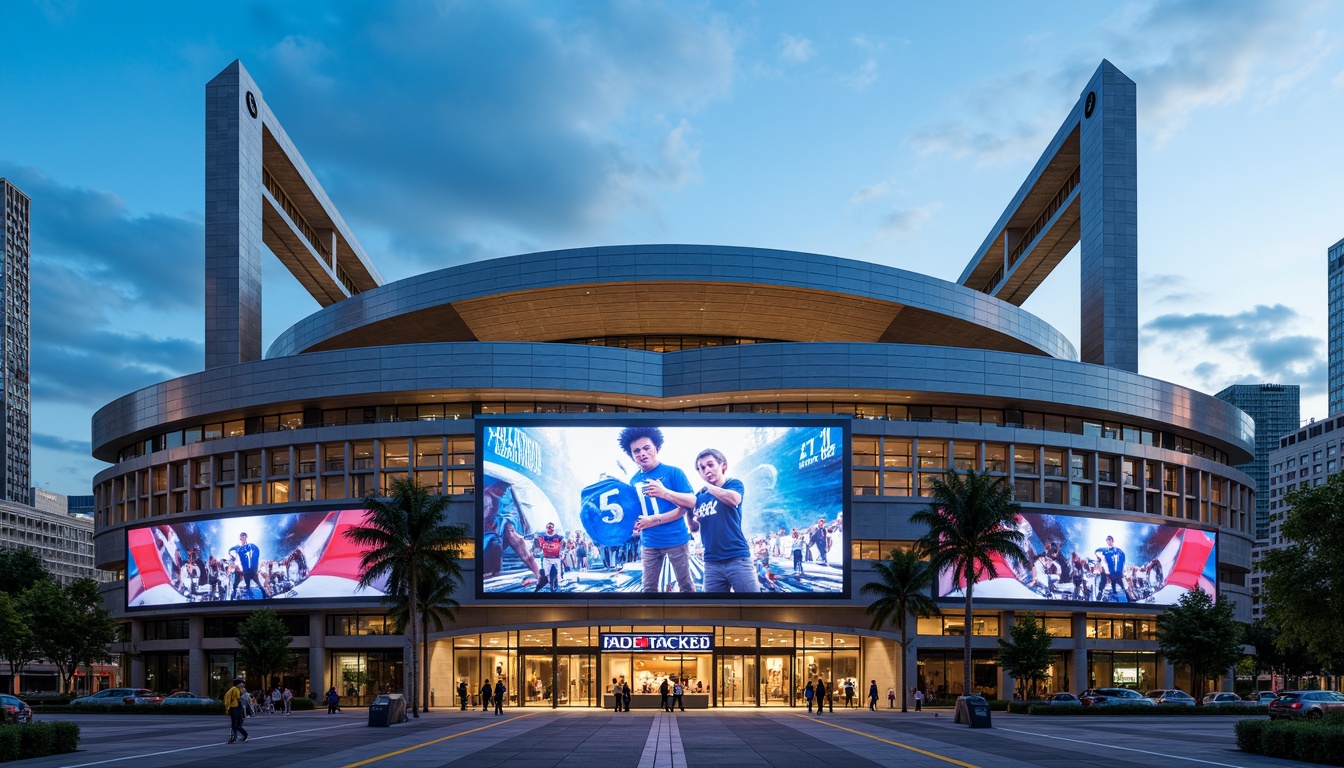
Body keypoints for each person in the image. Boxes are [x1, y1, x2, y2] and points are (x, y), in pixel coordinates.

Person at [620, 427, 695, 593]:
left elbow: (690, 502)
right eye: (636, 451)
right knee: (648, 589)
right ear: (632, 455)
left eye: (646, 448)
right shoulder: (634, 480)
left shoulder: (673, 472)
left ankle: (691, 617)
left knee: (686, 587)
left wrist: (664, 493)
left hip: (676, 539)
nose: (642, 453)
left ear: (657, 448)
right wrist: (633, 526)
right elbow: (636, 513)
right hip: (649, 543)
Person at [685, 449, 758, 593]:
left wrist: (709, 488)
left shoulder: (733, 484)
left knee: (753, 606)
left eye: (710, 465)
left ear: (723, 466)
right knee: (711, 610)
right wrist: (688, 512)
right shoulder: (699, 496)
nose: (706, 470)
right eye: (702, 468)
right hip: (711, 562)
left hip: (737, 558)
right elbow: (693, 528)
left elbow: (734, 500)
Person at [229, 532, 264, 599]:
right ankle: (233, 595)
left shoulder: (250, 547)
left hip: (248, 569)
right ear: (240, 538)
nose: (243, 537)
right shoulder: (237, 547)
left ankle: (263, 594)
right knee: (236, 583)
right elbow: (231, 554)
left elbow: (254, 556)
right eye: (241, 536)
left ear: (246, 537)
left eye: (244, 536)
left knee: (255, 581)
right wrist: (233, 560)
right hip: (239, 569)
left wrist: (255, 567)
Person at [535, 522, 566, 592]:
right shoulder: (542, 538)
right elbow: (538, 548)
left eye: (551, 528)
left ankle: (559, 581)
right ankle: (548, 583)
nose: (550, 529)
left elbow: (564, 545)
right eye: (548, 528)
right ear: (546, 529)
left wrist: (562, 552)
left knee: (559, 574)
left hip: (556, 558)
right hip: (546, 558)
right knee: (546, 574)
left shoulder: (559, 538)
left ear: (553, 529)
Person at [1095, 535, 1126, 600]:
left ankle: (1124, 592)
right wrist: (1100, 558)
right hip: (1108, 571)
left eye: (1110, 540)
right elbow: (1096, 551)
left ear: (1112, 541)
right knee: (1103, 577)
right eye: (1107, 540)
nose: (1109, 542)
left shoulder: (1118, 550)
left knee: (1119, 582)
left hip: (1116, 571)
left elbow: (1123, 559)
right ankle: (1100, 592)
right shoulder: (1104, 550)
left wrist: (1122, 570)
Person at [225, 677, 249, 743]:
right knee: (236, 724)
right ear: (238, 684)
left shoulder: (234, 689)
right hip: (235, 707)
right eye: (241, 683)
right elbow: (239, 698)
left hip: (235, 707)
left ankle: (235, 737)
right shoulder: (235, 689)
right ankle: (236, 737)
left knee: (236, 724)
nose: (242, 685)